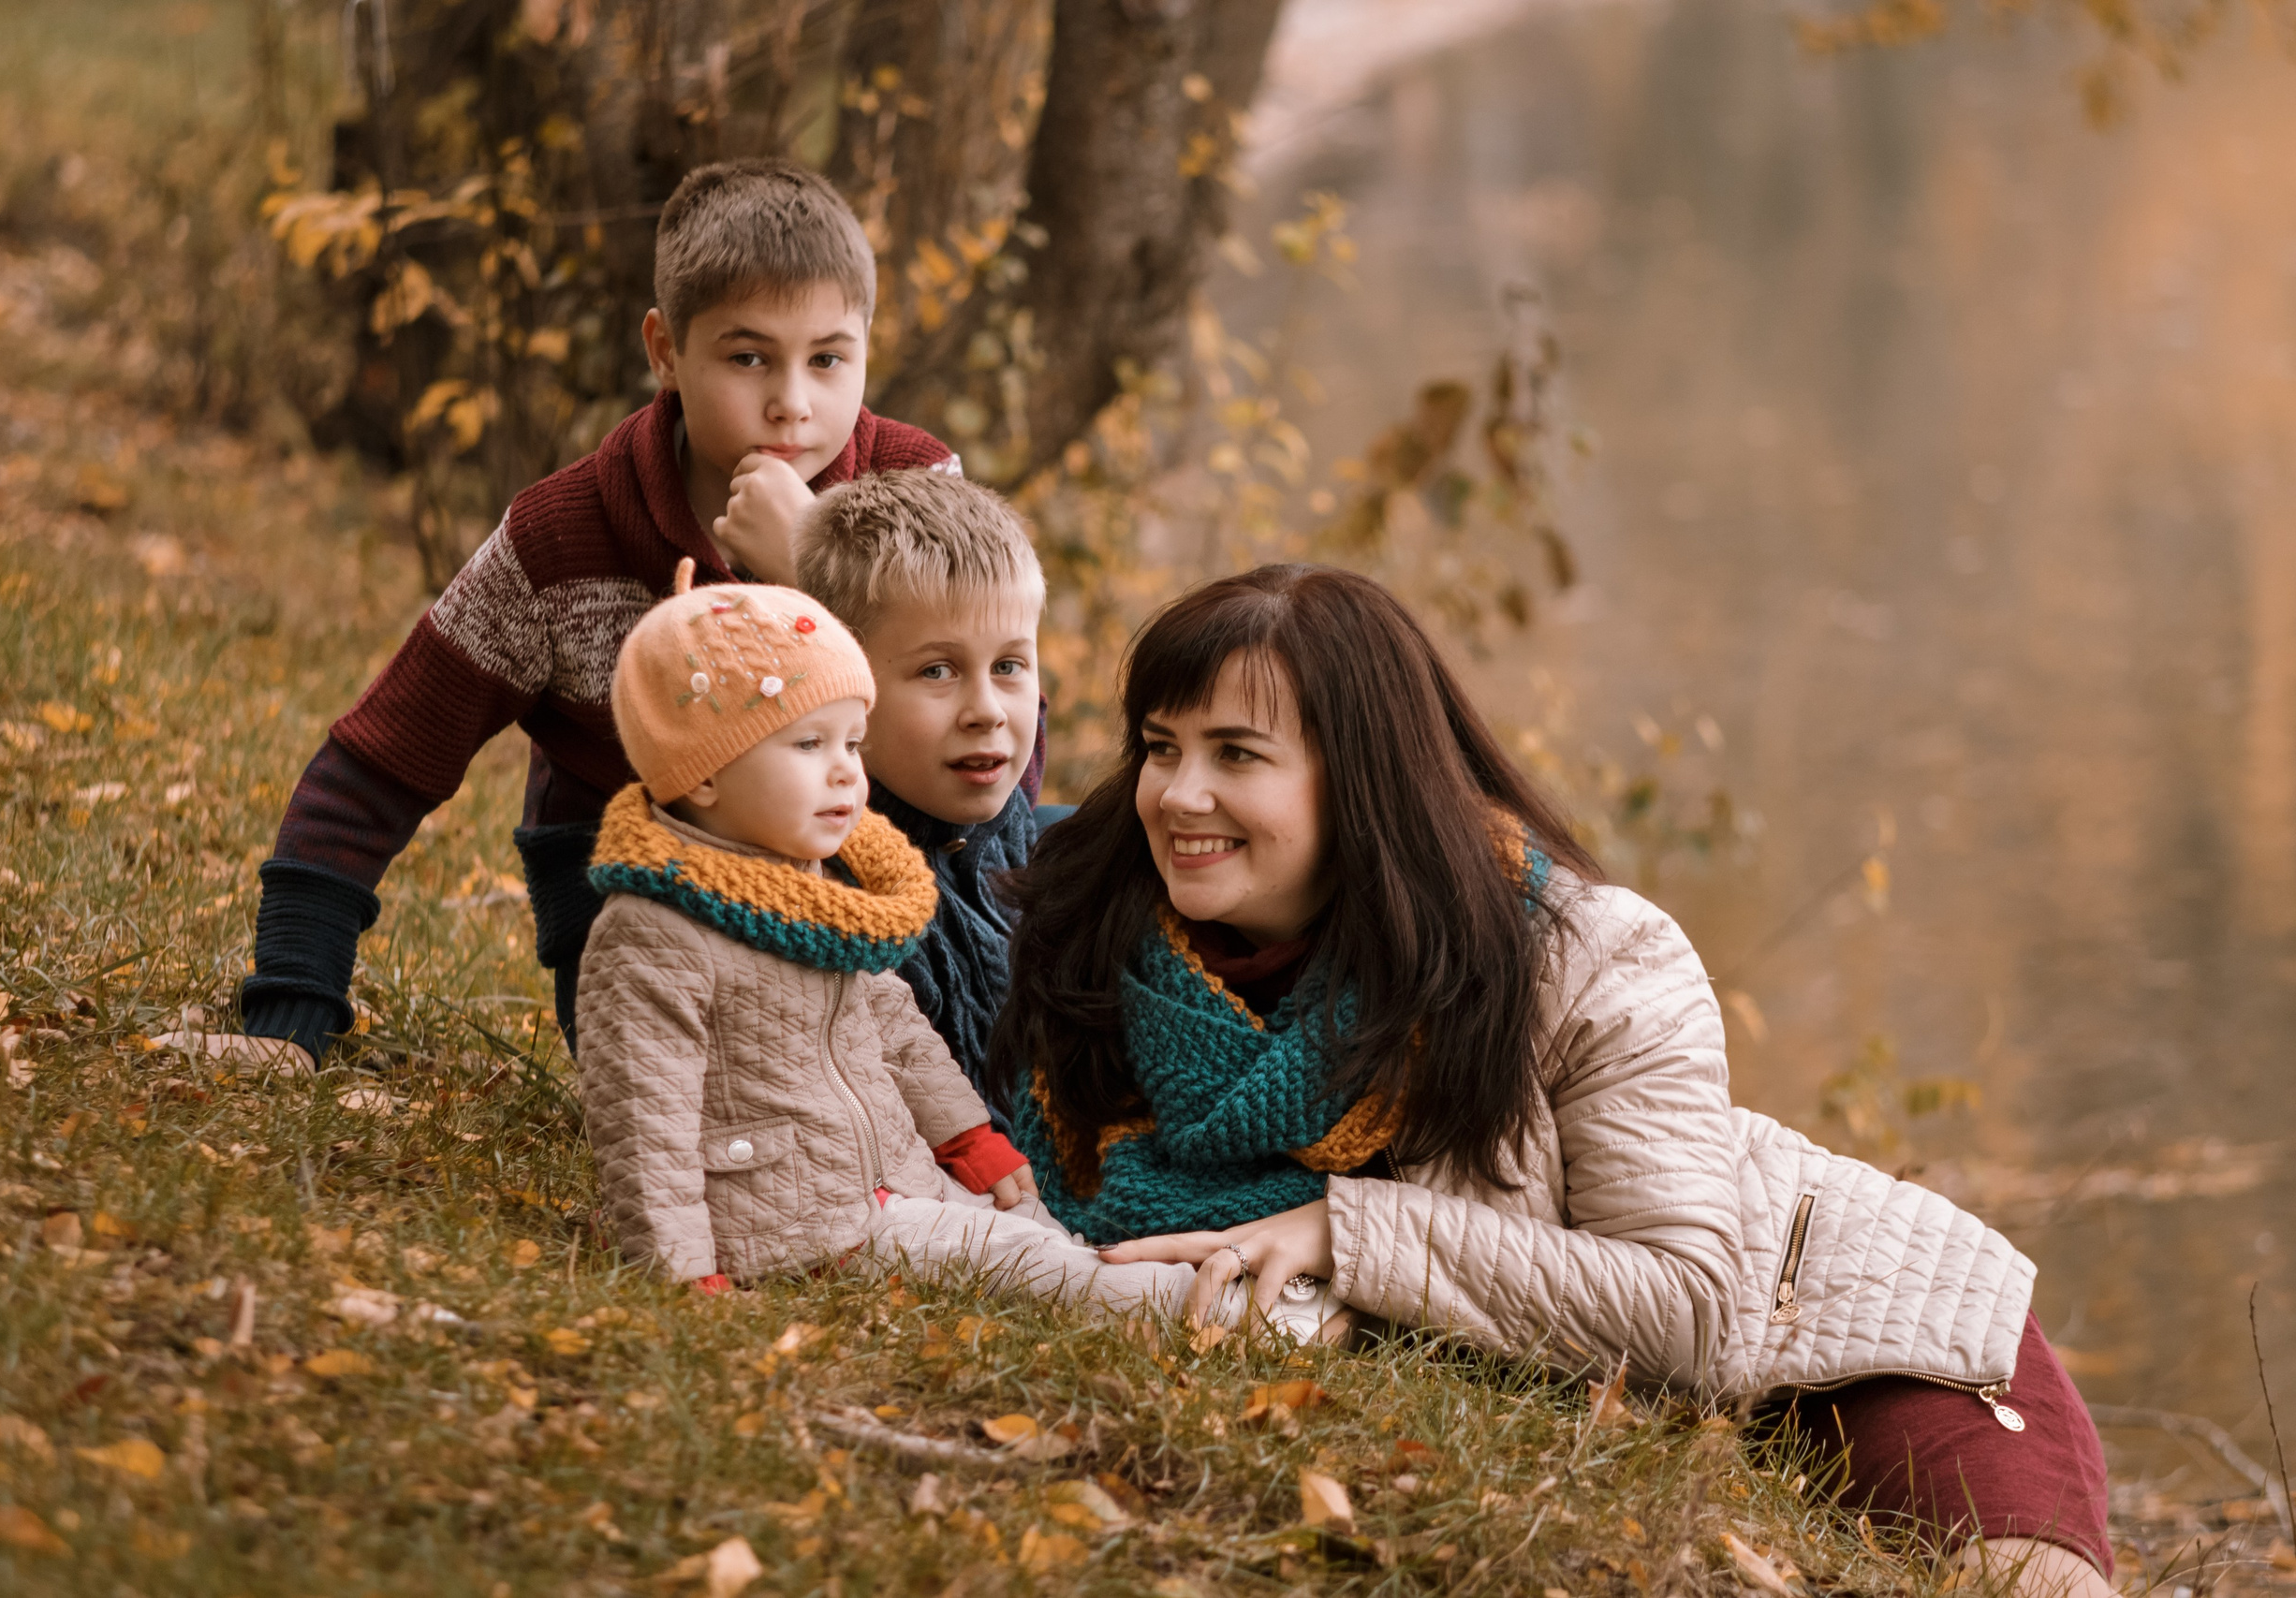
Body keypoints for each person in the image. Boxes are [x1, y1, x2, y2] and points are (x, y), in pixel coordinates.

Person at [993, 564, 2113, 1598]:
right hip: (1613, 1403)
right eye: (1161, 747)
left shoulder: (1585, 951)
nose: (1178, 794)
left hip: (1840, 1338)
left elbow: (1687, 1308)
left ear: (1364, 779)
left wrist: (1348, 1229)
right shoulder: (1092, 943)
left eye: (1237, 755)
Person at [230, 159, 979, 1069]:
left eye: (827, 359)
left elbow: (988, 729)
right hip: (647, 928)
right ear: (665, 350)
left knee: (1070, 855)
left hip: (880, 892)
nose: (793, 402)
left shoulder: (920, 487)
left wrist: (811, 567)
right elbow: (379, 762)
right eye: (748, 357)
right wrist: (291, 1008)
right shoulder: (559, 539)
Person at [573, 568, 1189, 1313]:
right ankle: (1200, 1305)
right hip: (794, 1226)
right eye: (810, 743)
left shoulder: (810, 884)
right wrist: (682, 1275)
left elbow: (894, 1025)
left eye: (853, 742)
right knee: (1027, 1263)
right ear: (703, 775)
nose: (846, 772)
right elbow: (646, 1121)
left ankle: (1154, 1273)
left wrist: (964, 1134)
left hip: (886, 1180)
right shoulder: (653, 933)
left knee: (1029, 1221)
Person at [794, 471, 1046, 1132]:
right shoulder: (844, 893)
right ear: (842, 684)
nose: (987, 710)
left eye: (1009, 666)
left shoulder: (1010, 824)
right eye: (938, 671)